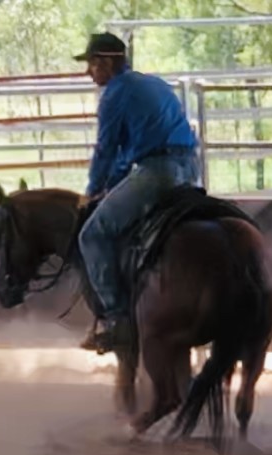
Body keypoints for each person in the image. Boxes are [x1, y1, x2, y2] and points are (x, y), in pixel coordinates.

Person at [73, 32, 201, 353]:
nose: (88, 72)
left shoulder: (114, 94)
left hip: (156, 173)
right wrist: (114, 185)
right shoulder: (155, 83)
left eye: (92, 64)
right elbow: (125, 155)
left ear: (107, 62)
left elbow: (106, 149)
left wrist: (93, 191)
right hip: (189, 168)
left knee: (93, 235)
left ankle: (115, 319)